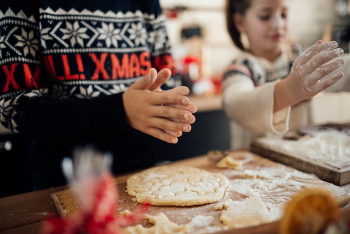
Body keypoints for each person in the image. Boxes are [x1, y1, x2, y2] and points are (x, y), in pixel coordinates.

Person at [0, 0, 197, 189]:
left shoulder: (145, 2)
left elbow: (168, 77)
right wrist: (120, 110)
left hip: (141, 172)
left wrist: (161, 102)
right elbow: (17, 108)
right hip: (64, 181)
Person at [223, 0, 346, 149]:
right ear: (240, 22)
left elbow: (345, 69)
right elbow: (238, 106)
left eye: (284, 14)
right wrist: (289, 90)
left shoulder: (300, 60)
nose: (278, 24)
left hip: (304, 161)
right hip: (253, 165)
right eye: (265, 16)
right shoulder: (241, 68)